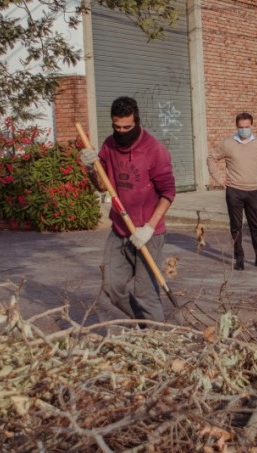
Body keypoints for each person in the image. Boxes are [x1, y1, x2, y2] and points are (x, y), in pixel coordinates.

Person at [80, 96, 177, 323]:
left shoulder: (154, 150)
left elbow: (168, 193)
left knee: (146, 294)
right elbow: (102, 184)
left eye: (127, 127)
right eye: (117, 127)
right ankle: (144, 325)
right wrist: (90, 168)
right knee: (112, 288)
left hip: (148, 233)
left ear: (137, 122)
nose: (122, 131)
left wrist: (149, 228)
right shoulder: (109, 145)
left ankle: (160, 342)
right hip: (120, 230)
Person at [206, 112, 257, 271]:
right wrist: (219, 178)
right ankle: (239, 258)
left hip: (254, 192)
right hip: (234, 192)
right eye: (241, 127)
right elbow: (211, 159)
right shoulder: (227, 144)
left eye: (246, 127)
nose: (244, 130)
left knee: (256, 226)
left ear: (252, 126)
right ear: (236, 127)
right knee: (236, 227)